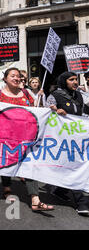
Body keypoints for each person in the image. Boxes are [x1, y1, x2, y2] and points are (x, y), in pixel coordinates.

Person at [0, 67, 54, 212]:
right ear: (5, 79)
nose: (16, 78)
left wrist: (47, 107)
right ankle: (7, 186)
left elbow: (36, 111)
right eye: (13, 76)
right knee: (6, 160)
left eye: (18, 76)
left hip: (26, 136)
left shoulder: (26, 93)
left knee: (29, 164)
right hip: (6, 137)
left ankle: (35, 199)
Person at [46, 71, 89, 216]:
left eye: (76, 79)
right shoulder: (55, 95)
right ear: (64, 81)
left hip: (77, 137)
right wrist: (55, 111)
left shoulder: (79, 95)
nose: (75, 82)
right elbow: (46, 112)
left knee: (74, 165)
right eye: (71, 80)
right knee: (74, 166)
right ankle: (81, 202)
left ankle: (59, 190)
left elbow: (82, 114)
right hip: (62, 138)